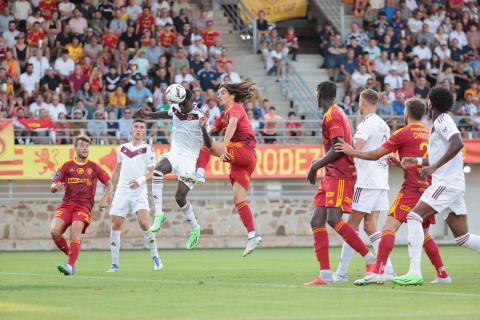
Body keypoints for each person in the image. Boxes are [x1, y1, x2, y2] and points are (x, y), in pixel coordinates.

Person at [335, 98, 451, 285]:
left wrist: (352, 151)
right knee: (425, 233)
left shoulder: (403, 133)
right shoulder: (430, 133)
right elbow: (420, 162)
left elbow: (375, 154)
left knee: (388, 228)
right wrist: (399, 164)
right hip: (428, 189)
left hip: (411, 189)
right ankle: (443, 274)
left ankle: (380, 271)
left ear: (406, 113)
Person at [391, 87, 480, 286]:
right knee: (462, 238)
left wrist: (434, 167)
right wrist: (417, 161)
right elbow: (438, 154)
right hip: (453, 184)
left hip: (446, 183)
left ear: (431, 102)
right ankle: (441, 277)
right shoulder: (438, 123)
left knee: (413, 216)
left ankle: (414, 272)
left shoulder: (442, 120)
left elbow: (458, 143)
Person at [304, 81, 376, 286]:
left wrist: (315, 165)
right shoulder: (333, 113)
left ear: (320, 94)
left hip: (342, 173)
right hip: (330, 174)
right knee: (317, 220)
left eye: (316, 93)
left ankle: (370, 259)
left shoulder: (334, 114)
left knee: (334, 218)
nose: (315, 96)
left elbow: (338, 148)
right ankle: (325, 274)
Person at [186, 80, 262, 257]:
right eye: (218, 93)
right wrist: (202, 126)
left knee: (208, 146)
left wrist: (224, 147)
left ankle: (199, 173)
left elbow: (234, 124)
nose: (219, 95)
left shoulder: (236, 108)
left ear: (232, 95)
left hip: (244, 151)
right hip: (241, 162)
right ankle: (252, 235)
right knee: (239, 199)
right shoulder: (222, 115)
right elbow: (211, 130)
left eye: (222, 92)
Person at [334, 89, 394, 282]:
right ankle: (389, 269)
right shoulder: (384, 125)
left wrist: (347, 150)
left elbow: (355, 151)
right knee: (370, 227)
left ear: (362, 103)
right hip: (381, 182)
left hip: (367, 181)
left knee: (351, 227)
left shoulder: (366, 124)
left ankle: (341, 273)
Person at [136, 88, 203, 250]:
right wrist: (147, 115)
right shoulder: (176, 108)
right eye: (177, 104)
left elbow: (208, 143)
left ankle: (195, 228)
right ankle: (159, 214)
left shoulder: (199, 116)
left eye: (181, 104)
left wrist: (205, 128)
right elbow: (167, 113)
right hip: (175, 153)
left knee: (180, 197)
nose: (179, 107)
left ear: (188, 102)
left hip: (189, 160)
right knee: (158, 170)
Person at [50, 135, 113, 276]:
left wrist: (104, 199)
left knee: (75, 232)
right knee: (54, 231)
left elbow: (109, 184)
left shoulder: (94, 167)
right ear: (75, 148)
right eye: (82, 145)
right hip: (66, 206)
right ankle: (71, 256)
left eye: (87, 146)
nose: (85, 148)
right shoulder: (66, 166)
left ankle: (70, 266)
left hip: (83, 207)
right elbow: (53, 186)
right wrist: (56, 186)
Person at [107, 119, 161, 273]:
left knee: (144, 223)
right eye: (136, 127)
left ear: (144, 131)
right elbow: (116, 171)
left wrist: (140, 180)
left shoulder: (148, 149)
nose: (138, 129)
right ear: (131, 129)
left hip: (139, 190)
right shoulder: (122, 148)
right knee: (115, 224)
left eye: (141, 128)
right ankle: (114, 264)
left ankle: (155, 257)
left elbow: (152, 171)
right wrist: (110, 191)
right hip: (122, 191)